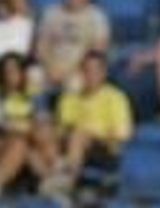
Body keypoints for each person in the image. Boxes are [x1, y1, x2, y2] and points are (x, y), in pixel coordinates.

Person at [0, 53, 53, 201]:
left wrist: (30, 127)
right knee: (19, 143)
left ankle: (52, 180)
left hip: (30, 142)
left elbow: (42, 118)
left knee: (40, 135)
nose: (11, 75)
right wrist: (28, 127)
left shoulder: (32, 93)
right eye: (7, 71)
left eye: (15, 70)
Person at [52, 52, 133, 195]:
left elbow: (122, 137)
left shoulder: (115, 98)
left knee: (80, 134)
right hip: (70, 143)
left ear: (103, 73)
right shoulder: (70, 97)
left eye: (95, 71)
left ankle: (66, 182)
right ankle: (49, 179)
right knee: (41, 131)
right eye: (86, 70)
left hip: (105, 149)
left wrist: (92, 134)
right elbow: (62, 128)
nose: (90, 75)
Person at [33, 0, 111, 91]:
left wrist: (69, 72)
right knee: (33, 75)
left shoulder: (96, 17)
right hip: (51, 67)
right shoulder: (50, 14)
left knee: (74, 83)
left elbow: (97, 52)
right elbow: (40, 47)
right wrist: (49, 69)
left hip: (79, 69)